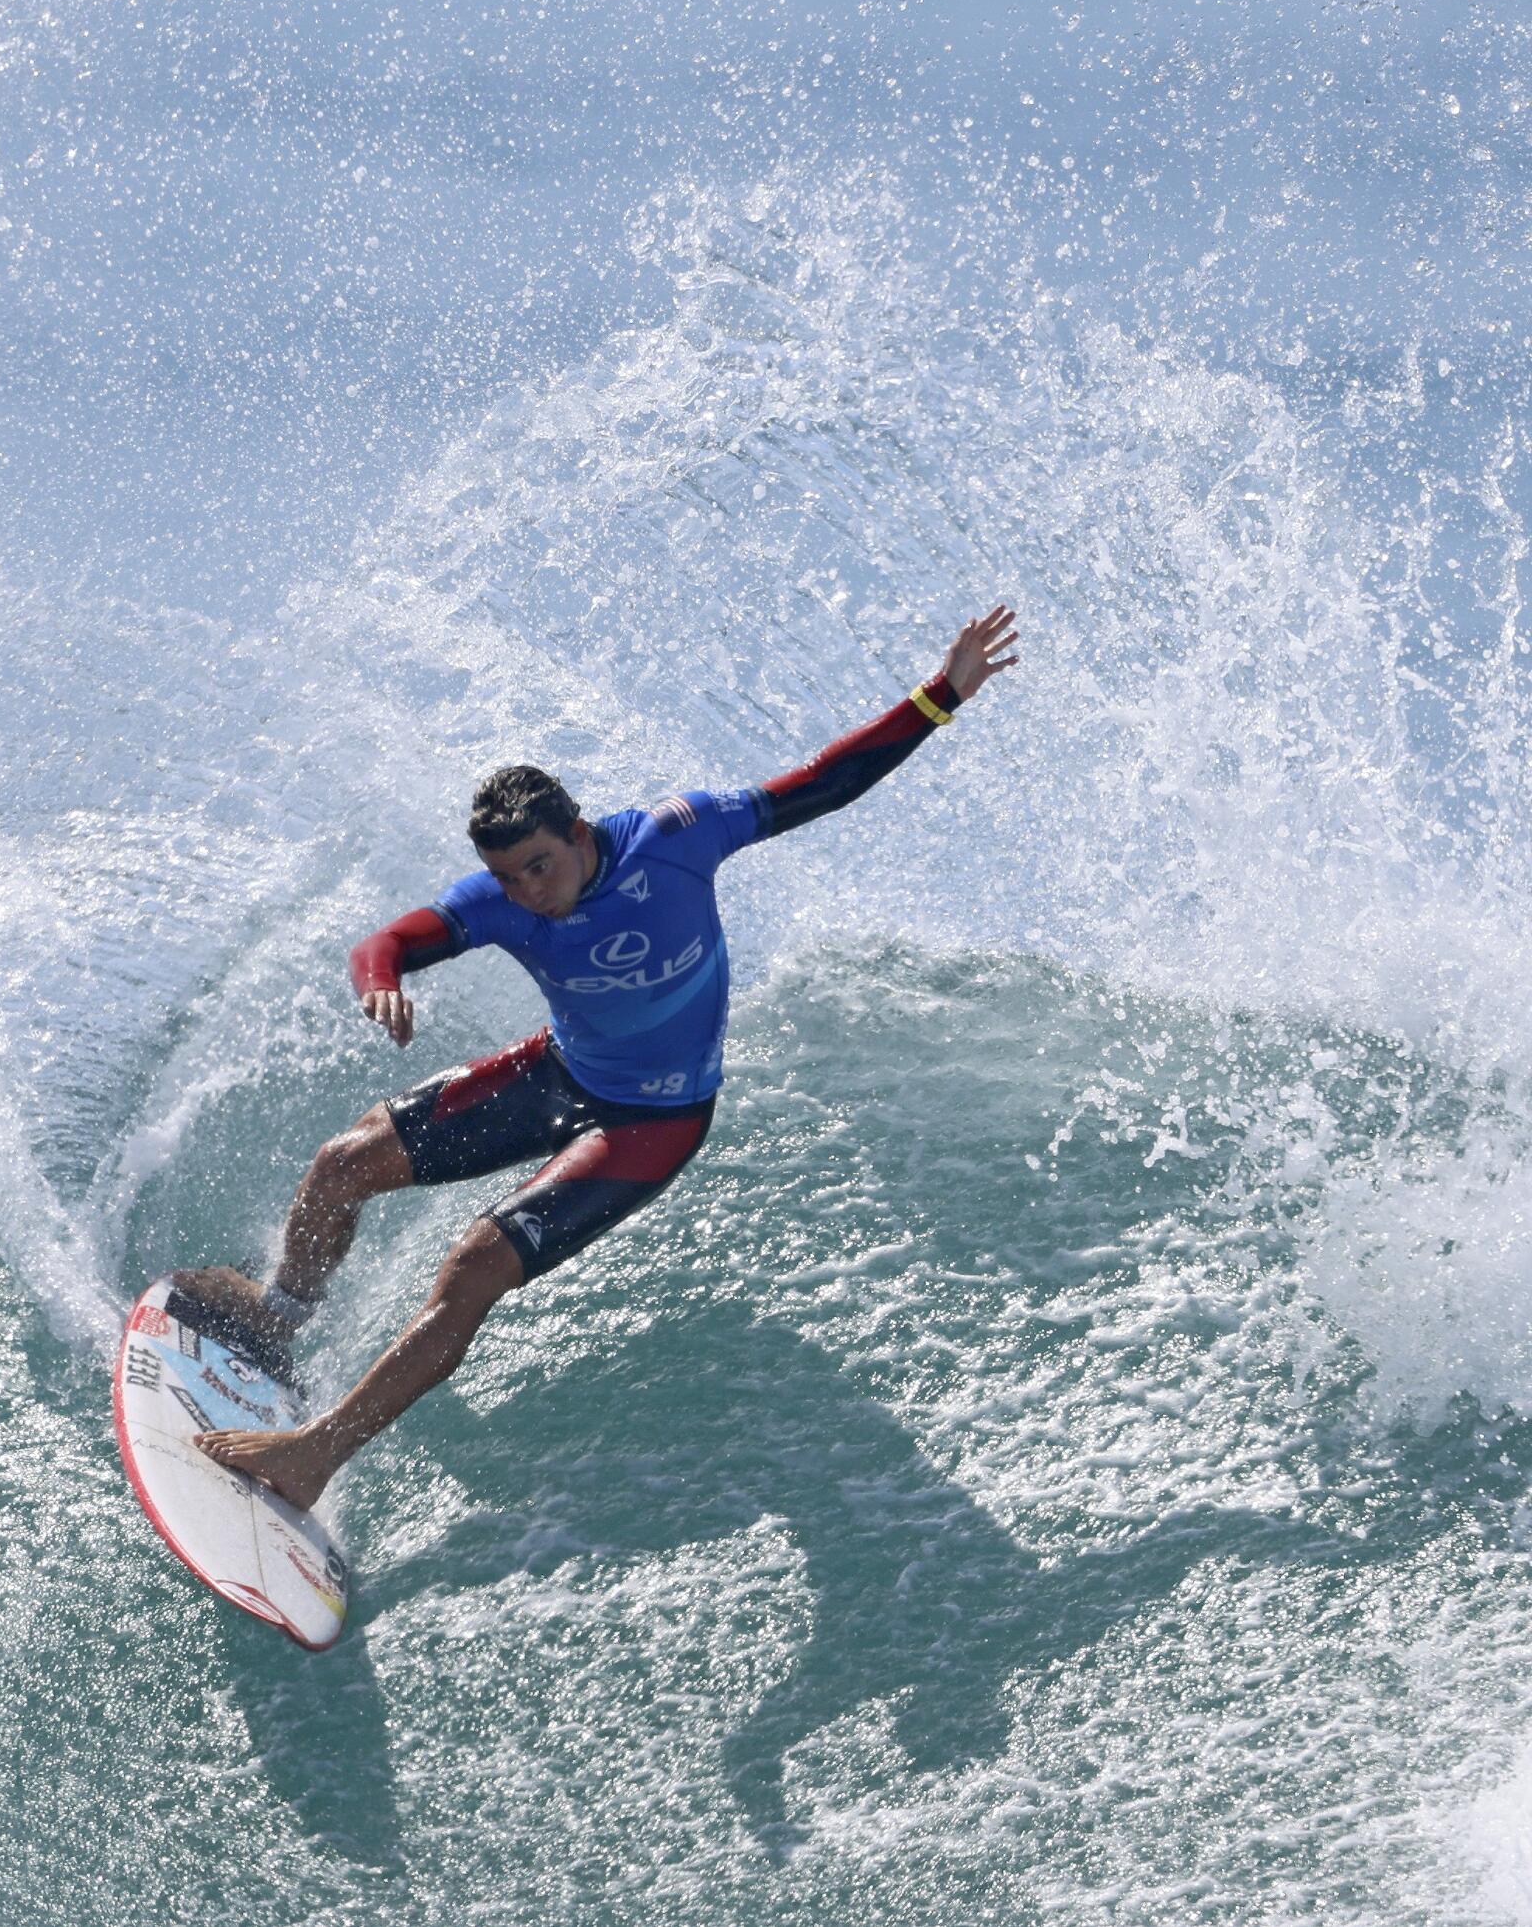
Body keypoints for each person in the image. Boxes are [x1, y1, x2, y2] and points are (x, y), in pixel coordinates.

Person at [173, 605, 1019, 1510]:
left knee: (472, 1267)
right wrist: (381, 977)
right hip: (562, 1072)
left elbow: (824, 783)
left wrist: (941, 696)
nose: (526, 894)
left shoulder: (678, 838)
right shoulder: (497, 901)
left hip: (651, 1122)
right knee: (341, 1166)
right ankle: (277, 1319)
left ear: (579, 834)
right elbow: (390, 941)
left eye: (538, 866)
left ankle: (313, 1455)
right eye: (506, 878)